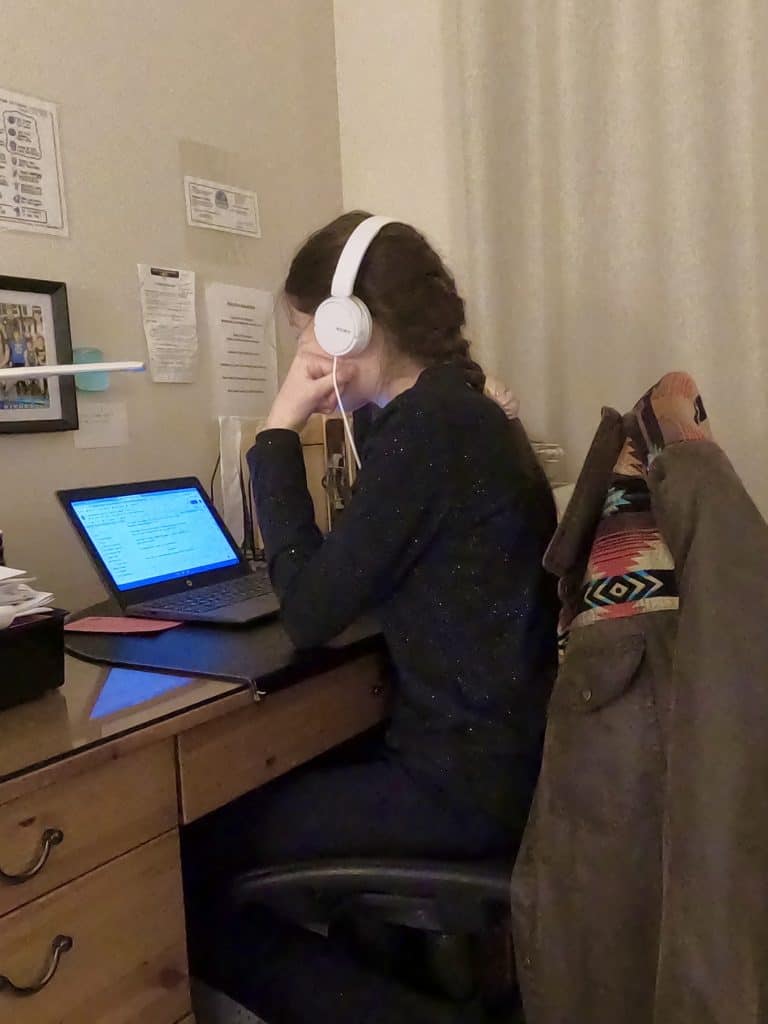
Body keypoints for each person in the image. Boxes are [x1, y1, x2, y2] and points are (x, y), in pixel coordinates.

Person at [184, 212, 559, 1024]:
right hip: (503, 757)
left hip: (462, 782)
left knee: (186, 859)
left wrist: (279, 429)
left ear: (346, 322)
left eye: (306, 331)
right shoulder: (460, 411)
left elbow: (313, 610)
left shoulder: (431, 429)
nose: (306, 355)